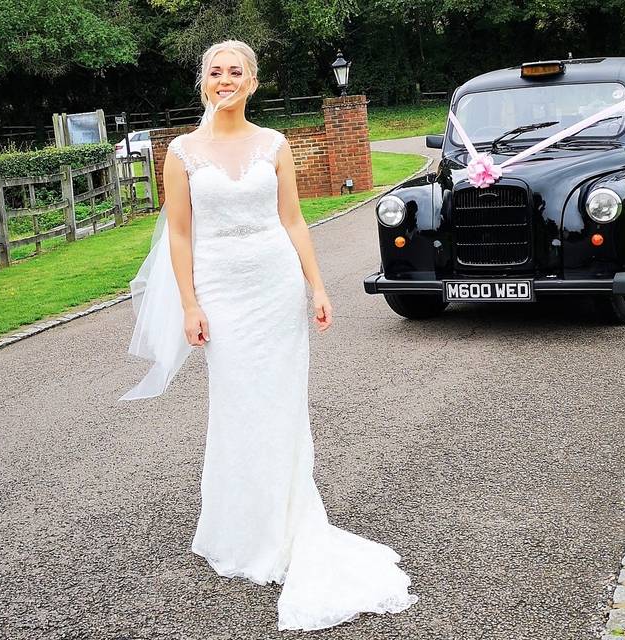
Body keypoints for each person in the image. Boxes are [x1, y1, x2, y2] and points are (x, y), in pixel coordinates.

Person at [119, 40, 418, 631]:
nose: (224, 79)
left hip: (276, 289)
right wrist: (189, 302)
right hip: (222, 294)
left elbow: (293, 219)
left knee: (281, 407)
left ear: (252, 83)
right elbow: (180, 235)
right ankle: (241, 527)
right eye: (214, 72)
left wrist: (318, 286)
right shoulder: (180, 153)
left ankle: (290, 523)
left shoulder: (274, 145)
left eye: (235, 72)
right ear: (203, 82)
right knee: (236, 405)